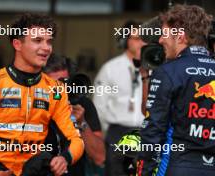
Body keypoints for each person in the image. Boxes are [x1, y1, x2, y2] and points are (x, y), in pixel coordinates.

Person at [0, 13, 84, 176]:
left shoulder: (56, 89)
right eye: (38, 40)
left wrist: (65, 158)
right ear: (17, 44)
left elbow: (76, 139)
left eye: (49, 41)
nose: (46, 48)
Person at [137, 4, 214, 176]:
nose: (160, 40)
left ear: (180, 37)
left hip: (180, 166)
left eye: (164, 34)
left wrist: (144, 172)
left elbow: (153, 131)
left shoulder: (167, 71)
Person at [93, 21, 146, 176]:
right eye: (136, 38)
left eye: (144, 39)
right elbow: (99, 105)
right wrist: (105, 134)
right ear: (124, 41)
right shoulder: (110, 69)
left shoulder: (154, 68)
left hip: (146, 133)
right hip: (118, 133)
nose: (142, 43)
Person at [43, 53, 105, 176]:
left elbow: (100, 157)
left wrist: (81, 123)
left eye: (63, 84)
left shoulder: (80, 104)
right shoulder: (30, 103)